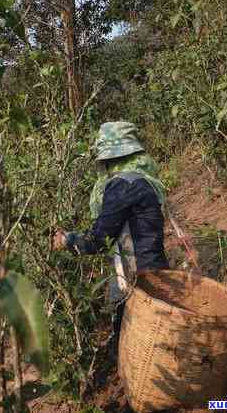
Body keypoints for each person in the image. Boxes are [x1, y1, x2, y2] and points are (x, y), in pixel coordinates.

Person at [52, 121, 169, 346]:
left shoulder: (122, 185)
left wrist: (68, 240)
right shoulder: (144, 180)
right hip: (155, 267)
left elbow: (99, 239)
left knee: (135, 344)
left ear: (109, 159)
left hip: (136, 277)